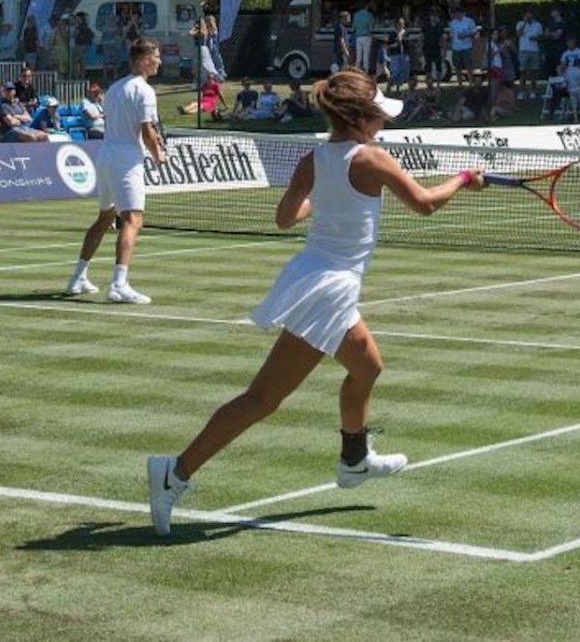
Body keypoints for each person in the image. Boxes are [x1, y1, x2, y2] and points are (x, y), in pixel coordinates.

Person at [146, 68, 484, 536]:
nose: (384, 122)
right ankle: (175, 471)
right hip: (327, 289)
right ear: (360, 117)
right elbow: (425, 203)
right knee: (263, 398)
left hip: (318, 278)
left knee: (367, 367)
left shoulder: (315, 158)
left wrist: (325, 201)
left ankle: (354, 459)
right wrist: (464, 178)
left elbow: (286, 217)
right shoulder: (372, 158)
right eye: (379, 115)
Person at [65, 37, 166, 304]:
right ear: (144, 59)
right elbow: (147, 131)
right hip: (125, 159)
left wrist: (150, 143)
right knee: (133, 219)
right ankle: (119, 284)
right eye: (156, 56)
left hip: (106, 156)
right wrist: (158, 155)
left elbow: (132, 125)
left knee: (105, 217)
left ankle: (78, 278)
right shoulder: (145, 91)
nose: (159, 61)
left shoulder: (115, 88)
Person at [516, 10, 544, 101]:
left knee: (533, 72)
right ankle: (521, 91)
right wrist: (524, 23)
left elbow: (541, 36)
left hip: (534, 50)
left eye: (530, 14)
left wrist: (536, 38)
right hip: (523, 50)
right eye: (527, 14)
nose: (528, 16)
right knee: (522, 71)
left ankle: (533, 91)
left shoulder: (538, 24)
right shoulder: (520, 23)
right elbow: (518, 34)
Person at [351, 2, 375, 71]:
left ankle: (356, 72)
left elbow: (353, 28)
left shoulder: (356, 15)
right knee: (366, 57)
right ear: (366, 6)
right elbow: (371, 27)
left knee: (358, 57)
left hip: (358, 37)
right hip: (367, 36)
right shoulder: (369, 15)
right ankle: (365, 73)